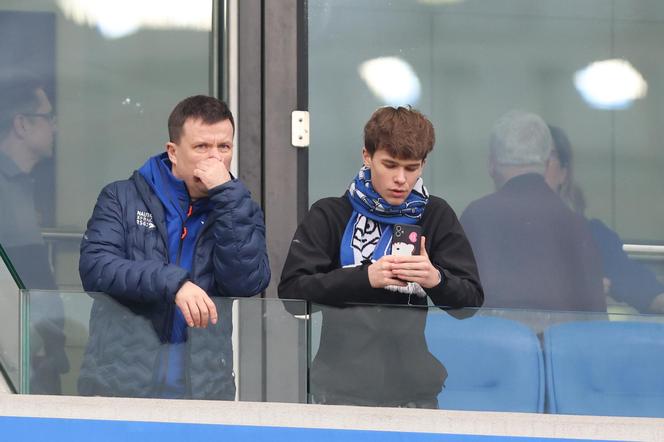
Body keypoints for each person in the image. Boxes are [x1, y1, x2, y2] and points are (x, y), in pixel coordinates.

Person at [279, 106, 483, 408]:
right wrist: (365, 278)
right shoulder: (330, 214)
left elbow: (470, 302)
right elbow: (292, 295)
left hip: (413, 396)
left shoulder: (435, 214)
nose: (400, 178)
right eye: (390, 165)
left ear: (424, 164)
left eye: (412, 168)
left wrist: (434, 278)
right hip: (340, 394)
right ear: (367, 156)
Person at [78, 95, 270, 399]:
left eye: (224, 147)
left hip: (203, 389)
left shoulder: (239, 208)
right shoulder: (121, 197)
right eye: (201, 147)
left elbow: (247, 282)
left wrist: (228, 199)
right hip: (119, 384)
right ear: (173, 152)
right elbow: (96, 268)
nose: (215, 159)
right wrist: (174, 283)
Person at [460, 110, 605, 312]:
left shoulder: (476, 217)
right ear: (546, 163)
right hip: (558, 342)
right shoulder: (574, 223)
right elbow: (594, 317)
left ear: (492, 164)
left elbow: (459, 307)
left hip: (491, 342)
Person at [546, 125, 664, 313]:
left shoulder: (590, 236)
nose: (533, 168)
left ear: (563, 172)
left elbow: (642, 287)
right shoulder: (486, 233)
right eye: (524, 161)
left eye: (546, 157)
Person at [0, 70, 68, 394]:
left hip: (36, 356)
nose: (55, 127)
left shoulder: (24, 185)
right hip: (16, 364)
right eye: (48, 117)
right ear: (22, 124)